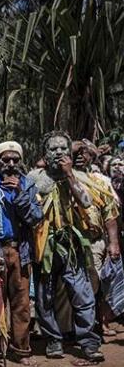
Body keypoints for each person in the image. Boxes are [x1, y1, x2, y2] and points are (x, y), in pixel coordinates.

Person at [27, 132, 107, 362]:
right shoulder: (34, 178)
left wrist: (70, 175)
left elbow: (86, 202)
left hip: (72, 245)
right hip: (45, 244)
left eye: (64, 148)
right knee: (45, 296)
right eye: (53, 149)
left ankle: (89, 343)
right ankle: (53, 340)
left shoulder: (79, 176)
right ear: (45, 154)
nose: (59, 153)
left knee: (82, 295)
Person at [0, 141, 43, 367]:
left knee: (21, 302)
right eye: (6, 159)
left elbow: (36, 218)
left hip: (20, 250)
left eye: (15, 159)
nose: (11, 164)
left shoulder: (28, 185)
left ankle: (20, 349)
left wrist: (19, 194)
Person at [71, 140, 120, 336]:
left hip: (95, 242)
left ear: (91, 156)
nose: (81, 156)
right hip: (68, 244)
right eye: (76, 153)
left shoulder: (99, 182)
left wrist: (114, 242)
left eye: (85, 152)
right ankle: (70, 331)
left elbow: (110, 215)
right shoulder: (60, 181)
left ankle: (91, 329)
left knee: (95, 285)